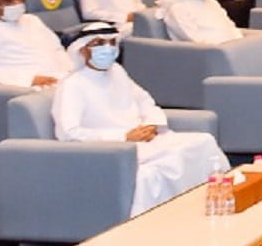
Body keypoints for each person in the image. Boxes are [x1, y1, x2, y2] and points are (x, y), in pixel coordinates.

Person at [51, 22, 227, 217]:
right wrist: (124, 137)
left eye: (111, 43)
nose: (107, 49)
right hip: (114, 150)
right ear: (82, 50)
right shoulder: (72, 85)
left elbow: (144, 101)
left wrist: (151, 123)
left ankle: (214, 201)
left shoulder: (117, 72)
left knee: (203, 142)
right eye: (99, 43)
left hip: (144, 139)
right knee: (154, 171)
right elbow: (69, 133)